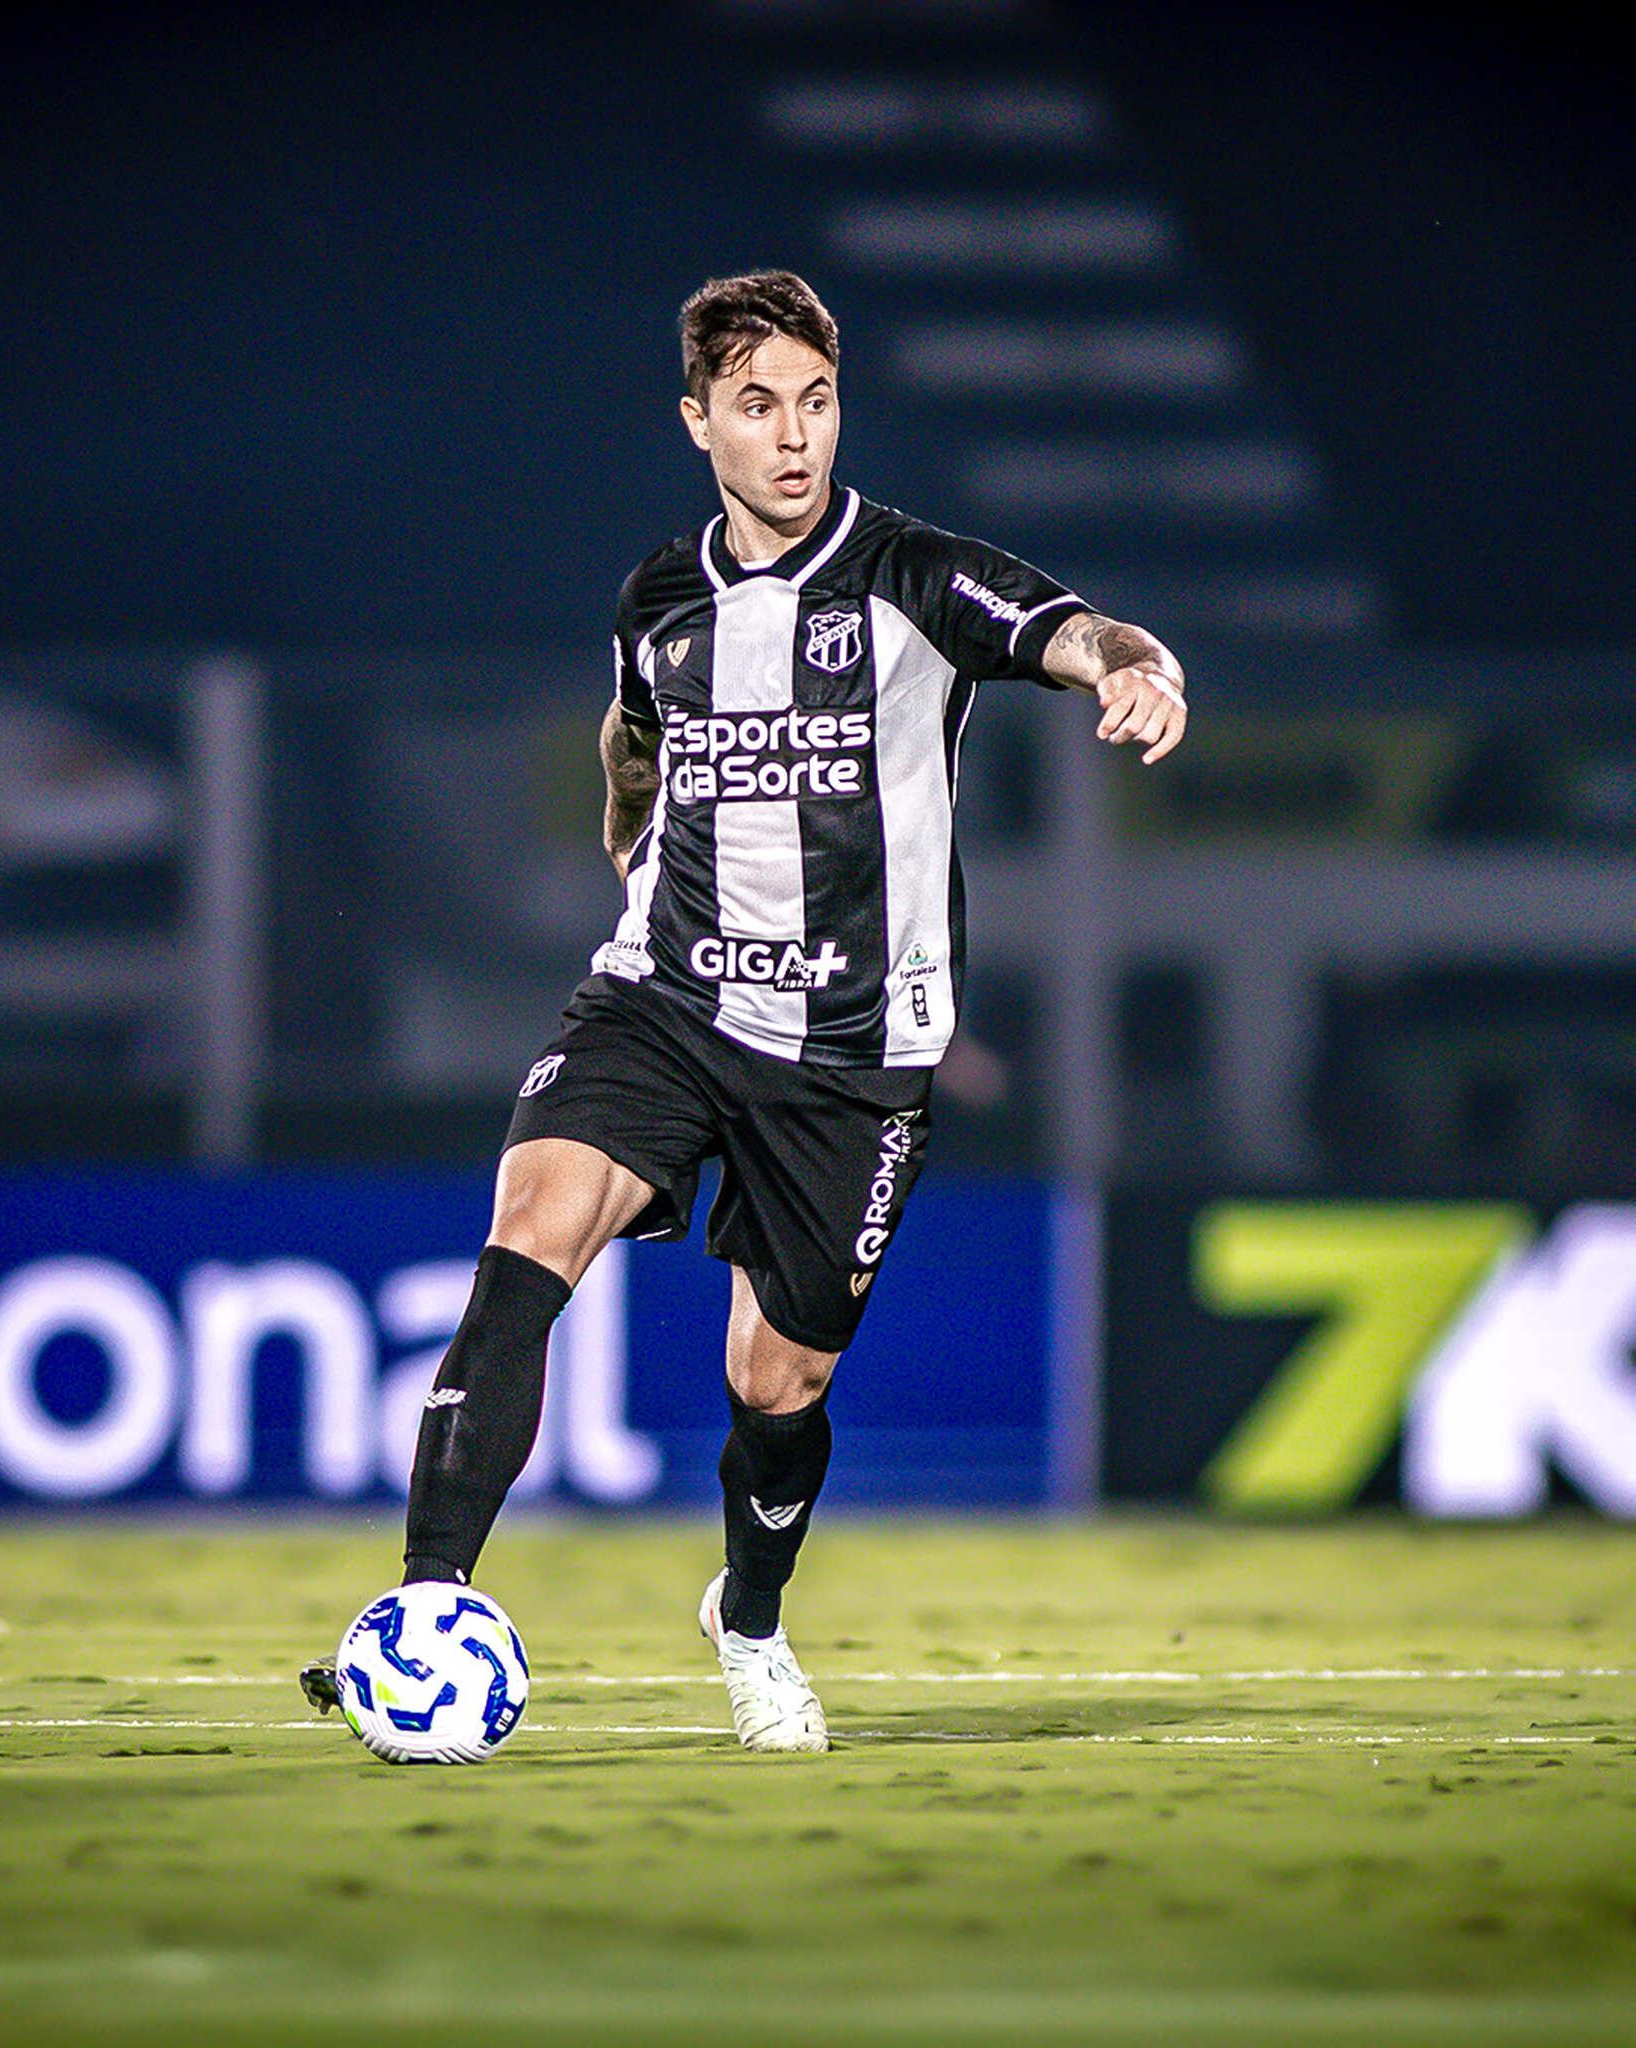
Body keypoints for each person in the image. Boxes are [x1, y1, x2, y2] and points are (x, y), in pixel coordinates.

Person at [303, 270, 1186, 1752]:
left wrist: (1142, 671)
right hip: (667, 997)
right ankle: (421, 1609)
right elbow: (634, 735)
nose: (795, 438)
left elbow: (1079, 630)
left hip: (851, 1058)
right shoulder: (661, 596)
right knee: (528, 1237)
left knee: (779, 1381)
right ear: (699, 421)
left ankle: (754, 1620)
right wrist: (630, 835)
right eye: (761, 407)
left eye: (818, 403)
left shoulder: (912, 575)